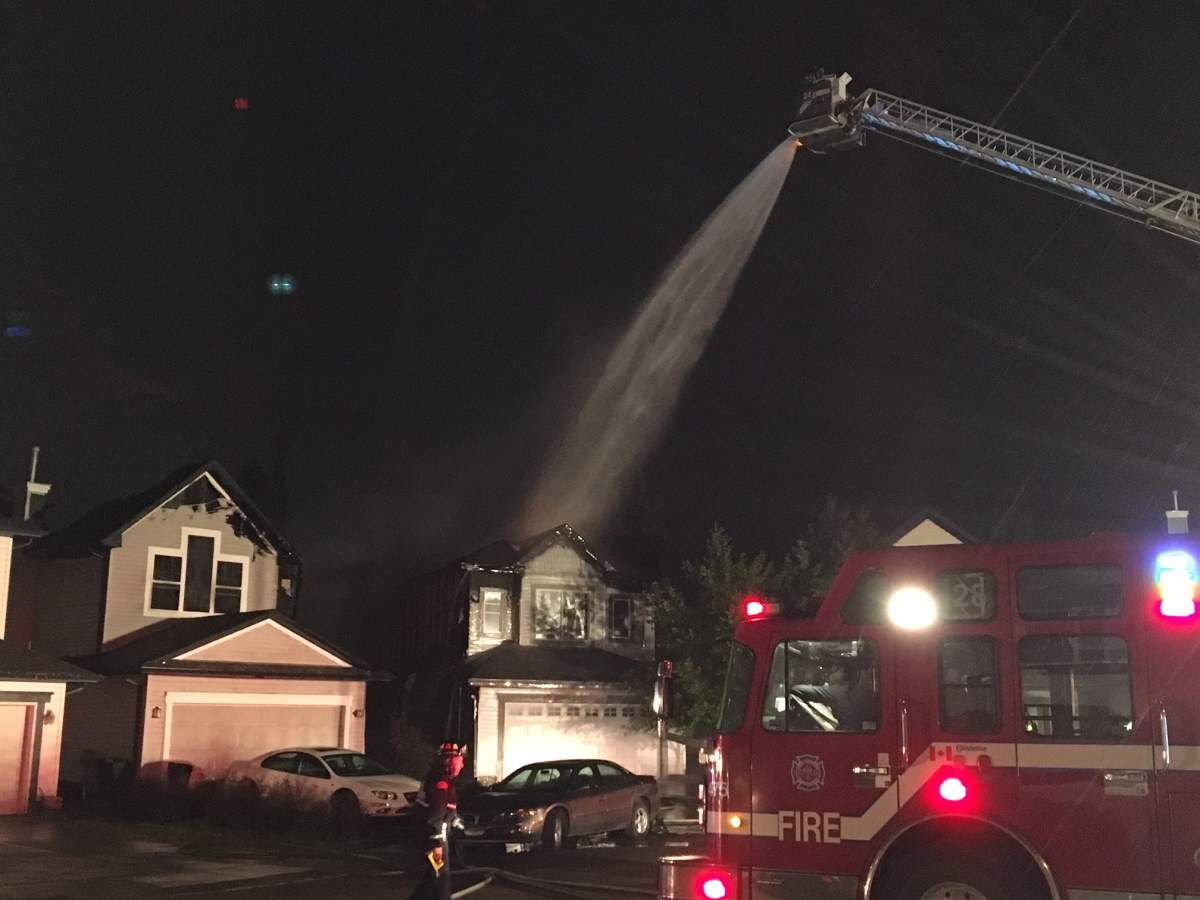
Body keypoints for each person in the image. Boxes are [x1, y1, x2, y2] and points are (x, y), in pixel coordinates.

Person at [408, 742, 467, 900]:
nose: (462, 764)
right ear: (449, 761)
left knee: (431, 878)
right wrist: (437, 844)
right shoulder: (440, 782)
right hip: (436, 839)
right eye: (459, 760)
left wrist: (457, 821)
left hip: (436, 837)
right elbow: (436, 813)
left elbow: (447, 808)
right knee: (441, 878)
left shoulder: (444, 780)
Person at [790, 662, 875, 731]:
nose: (829, 674)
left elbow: (797, 689)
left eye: (834, 670)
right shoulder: (862, 691)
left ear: (843, 673)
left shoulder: (838, 691)